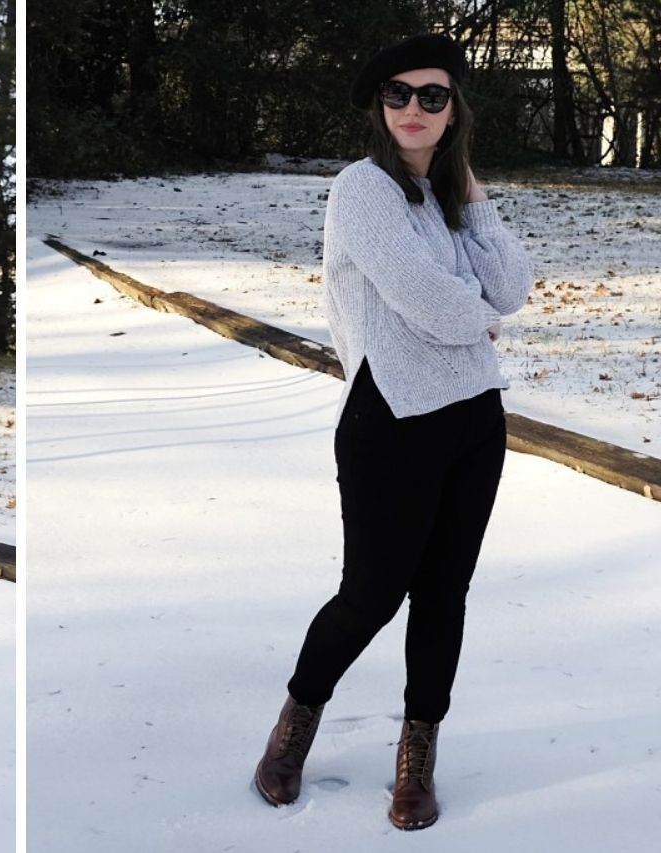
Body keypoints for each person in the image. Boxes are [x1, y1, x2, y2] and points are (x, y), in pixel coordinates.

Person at [252, 33, 534, 830]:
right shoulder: (361, 189)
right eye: (399, 94)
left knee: (444, 597)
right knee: (370, 594)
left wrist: (471, 194)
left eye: (433, 95)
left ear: (453, 111)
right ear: (380, 108)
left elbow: (510, 286)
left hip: (475, 419)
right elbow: (432, 303)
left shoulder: (447, 199)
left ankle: (417, 756)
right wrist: (479, 317)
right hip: (391, 419)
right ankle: (294, 726)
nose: (414, 107)